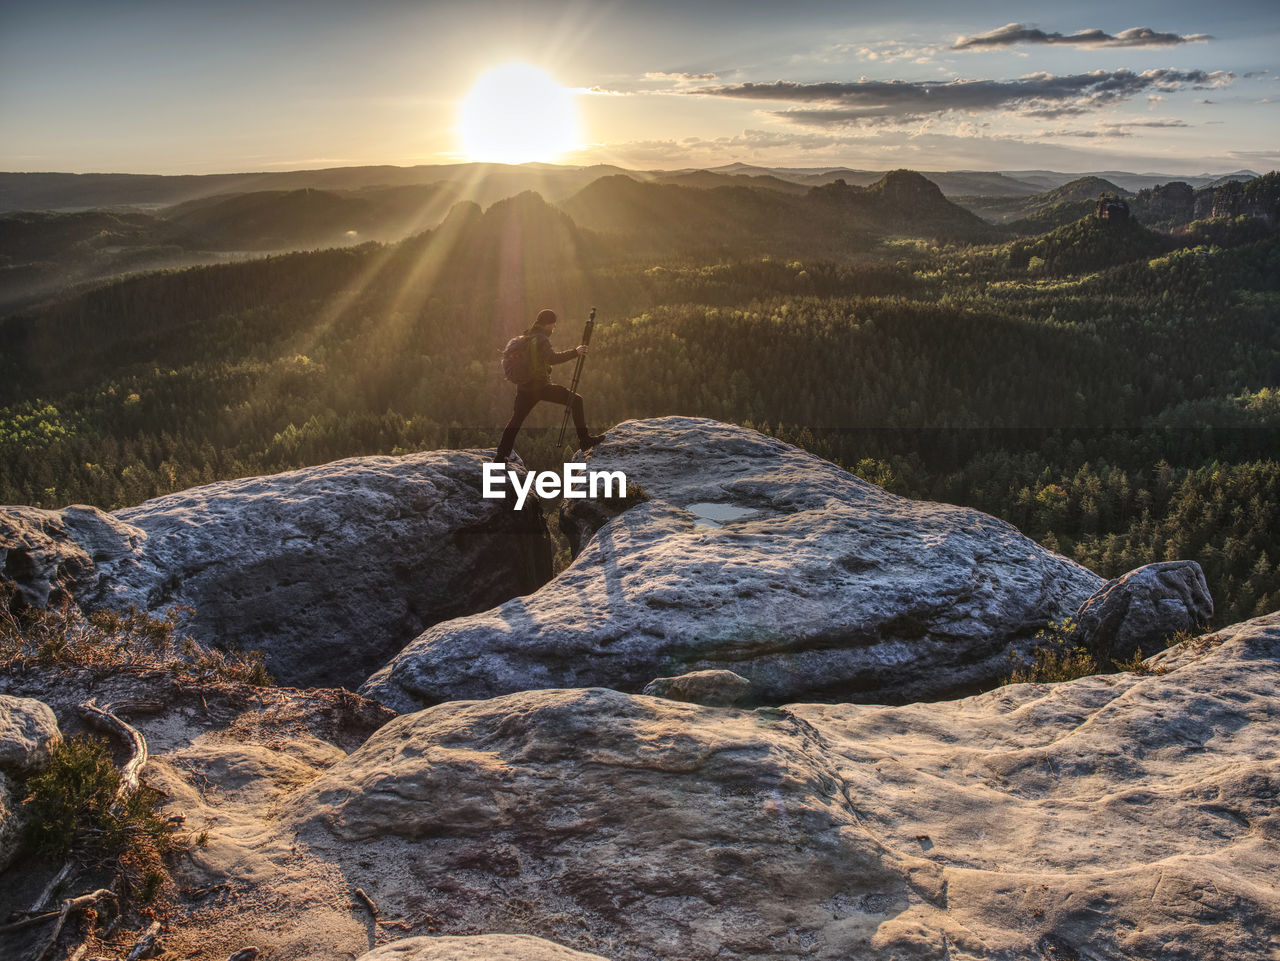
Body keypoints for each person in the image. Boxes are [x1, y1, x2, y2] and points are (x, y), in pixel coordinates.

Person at [494, 308, 603, 464]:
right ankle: (584, 440)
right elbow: (552, 358)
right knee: (576, 401)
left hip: (524, 388)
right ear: (547, 324)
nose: (554, 328)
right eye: (553, 325)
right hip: (541, 388)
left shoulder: (527, 336)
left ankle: (500, 456)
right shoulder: (541, 339)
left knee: (515, 421)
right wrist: (575, 352)